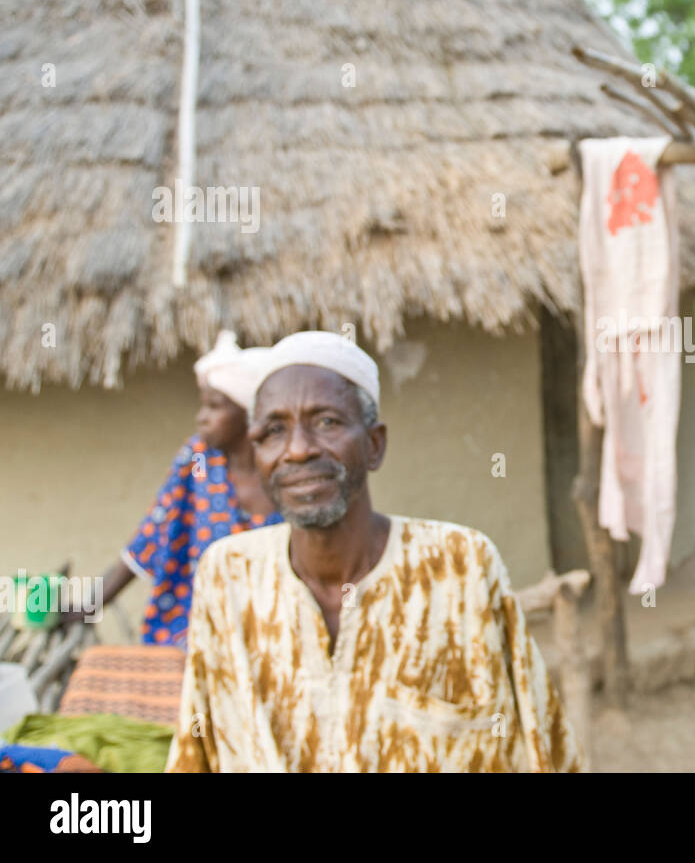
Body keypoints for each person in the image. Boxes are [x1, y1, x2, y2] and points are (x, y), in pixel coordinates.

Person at [166, 331, 584, 772]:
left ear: (374, 444)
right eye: (274, 431)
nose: (299, 449)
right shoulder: (228, 575)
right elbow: (196, 752)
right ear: (258, 455)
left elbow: (545, 750)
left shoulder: (461, 568)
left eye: (326, 422)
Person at [87, 331, 281, 646]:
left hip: (273, 635)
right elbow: (150, 535)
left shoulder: (287, 473)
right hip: (195, 634)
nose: (201, 418)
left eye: (214, 407)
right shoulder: (199, 462)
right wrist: (93, 603)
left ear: (251, 416)